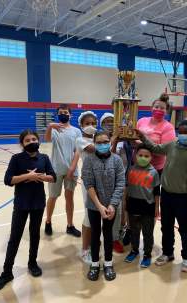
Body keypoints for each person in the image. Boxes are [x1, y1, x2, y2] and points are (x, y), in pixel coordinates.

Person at [0, 129, 56, 292]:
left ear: (38, 140)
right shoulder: (16, 159)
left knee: (35, 234)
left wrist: (40, 176)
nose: (31, 141)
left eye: (34, 139)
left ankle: (32, 263)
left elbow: (53, 177)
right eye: (27, 140)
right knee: (15, 237)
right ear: (22, 144)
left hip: (38, 203)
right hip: (21, 203)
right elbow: (8, 180)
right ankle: (7, 273)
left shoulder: (44, 158)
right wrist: (28, 176)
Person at [136, 120, 187, 272]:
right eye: (181, 131)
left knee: (184, 228)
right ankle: (167, 253)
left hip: (182, 196)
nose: (183, 134)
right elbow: (155, 148)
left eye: (186, 132)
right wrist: (143, 137)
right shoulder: (172, 145)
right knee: (166, 226)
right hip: (166, 194)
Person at [81, 130, 125, 281]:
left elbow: (120, 183)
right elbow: (88, 183)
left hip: (111, 207)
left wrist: (112, 205)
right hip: (94, 206)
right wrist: (99, 206)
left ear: (110, 142)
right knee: (95, 234)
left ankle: (108, 263)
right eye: (99, 142)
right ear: (94, 144)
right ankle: (94, 264)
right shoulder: (89, 160)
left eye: (105, 142)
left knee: (108, 234)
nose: (102, 145)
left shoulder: (117, 160)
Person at [44, 104, 82, 237]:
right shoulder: (54, 129)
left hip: (71, 170)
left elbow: (78, 150)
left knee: (69, 197)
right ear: (57, 114)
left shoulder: (76, 131)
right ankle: (48, 222)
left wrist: (72, 167)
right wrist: (50, 126)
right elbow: (47, 139)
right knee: (53, 197)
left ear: (70, 115)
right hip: (55, 170)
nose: (63, 114)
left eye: (66, 112)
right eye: (61, 112)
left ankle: (70, 225)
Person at [124, 144, 160, 268]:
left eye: (146, 156)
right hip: (133, 205)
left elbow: (156, 192)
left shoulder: (154, 172)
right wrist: (125, 203)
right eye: (140, 155)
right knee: (134, 231)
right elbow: (127, 189)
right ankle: (134, 251)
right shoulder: (131, 170)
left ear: (151, 157)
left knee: (147, 233)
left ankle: (147, 255)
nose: (143, 158)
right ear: (136, 156)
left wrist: (157, 207)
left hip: (148, 207)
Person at [69, 111, 97, 264]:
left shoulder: (97, 139)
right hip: (89, 182)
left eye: (93, 123)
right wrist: (113, 139)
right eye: (87, 124)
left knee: (97, 214)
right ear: (81, 126)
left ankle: (93, 245)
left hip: (101, 181)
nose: (91, 126)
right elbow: (96, 150)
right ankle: (85, 249)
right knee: (88, 215)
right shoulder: (80, 140)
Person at [101, 112, 126, 253]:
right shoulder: (100, 140)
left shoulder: (124, 139)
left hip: (121, 179)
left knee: (119, 209)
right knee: (103, 210)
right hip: (104, 180)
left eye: (112, 121)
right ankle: (105, 237)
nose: (109, 124)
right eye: (107, 122)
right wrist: (114, 140)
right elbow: (106, 156)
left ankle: (115, 237)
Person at [137, 93, 176, 175]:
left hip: (155, 169)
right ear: (151, 108)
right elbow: (133, 138)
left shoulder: (168, 127)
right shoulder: (141, 121)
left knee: (154, 188)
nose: (159, 109)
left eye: (162, 108)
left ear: (167, 111)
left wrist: (141, 143)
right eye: (156, 107)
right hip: (137, 165)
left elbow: (163, 151)